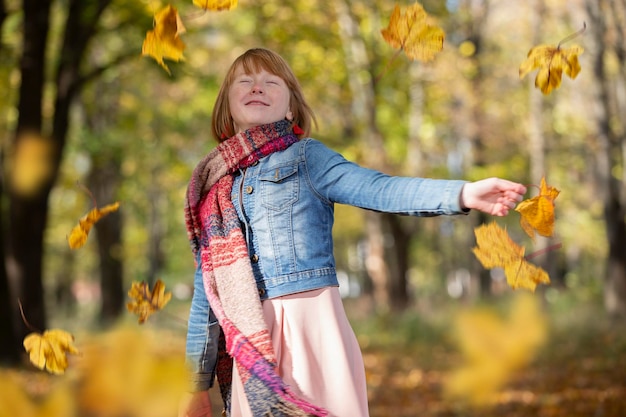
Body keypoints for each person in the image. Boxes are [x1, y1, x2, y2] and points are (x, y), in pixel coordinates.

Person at [180, 47, 527, 417]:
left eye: (271, 81)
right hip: (251, 344)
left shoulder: (308, 158)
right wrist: (196, 384)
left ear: (292, 108)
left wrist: (462, 193)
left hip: (311, 330)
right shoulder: (214, 193)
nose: (257, 87)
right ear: (226, 105)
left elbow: (380, 189)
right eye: (245, 81)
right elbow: (208, 296)